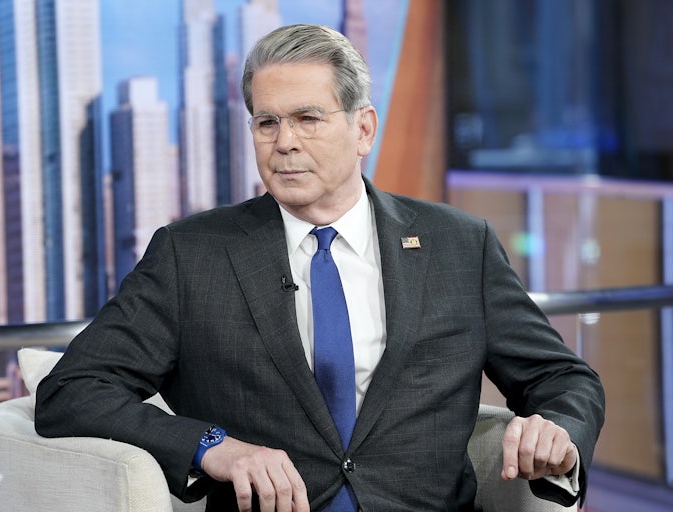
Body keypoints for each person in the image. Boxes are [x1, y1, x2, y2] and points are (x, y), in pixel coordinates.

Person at [35, 24, 605, 511]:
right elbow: (72, 390)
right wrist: (212, 447)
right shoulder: (192, 254)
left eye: (308, 118)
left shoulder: (458, 244)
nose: (283, 143)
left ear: (363, 130)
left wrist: (557, 427)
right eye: (266, 122)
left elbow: (562, 379)